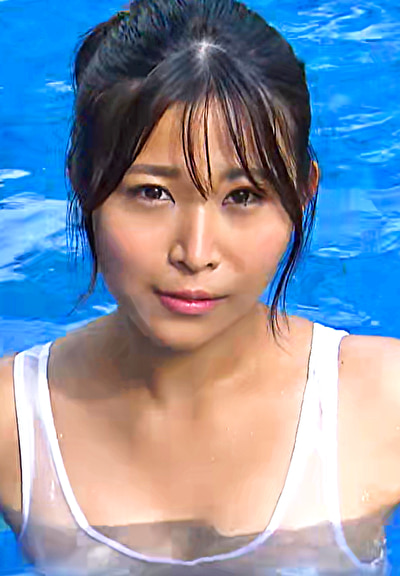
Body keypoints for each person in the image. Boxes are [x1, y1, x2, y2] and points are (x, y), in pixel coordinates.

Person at [0, 0, 399, 573]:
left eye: (244, 196)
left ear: (303, 192)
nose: (196, 252)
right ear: (83, 182)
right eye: (152, 193)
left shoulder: (383, 402)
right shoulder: (13, 421)